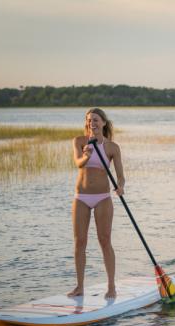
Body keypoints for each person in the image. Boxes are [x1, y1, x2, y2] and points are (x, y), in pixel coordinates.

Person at [68, 108, 125, 298]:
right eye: (89, 120)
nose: (92, 122)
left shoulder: (112, 148)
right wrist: (86, 154)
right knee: (79, 242)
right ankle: (80, 287)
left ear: (103, 123)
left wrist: (120, 187)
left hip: (103, 198)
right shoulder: (79, 141)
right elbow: (78, 163)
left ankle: (111, 287)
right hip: (81, 197)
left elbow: (121, 177)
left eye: (96, 120)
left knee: (104, 241)